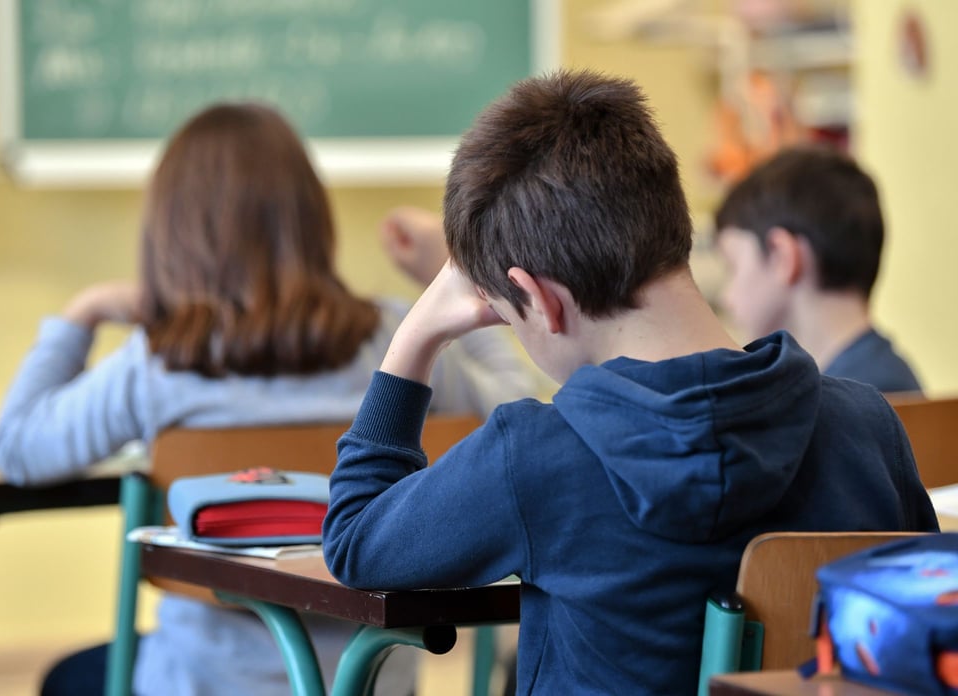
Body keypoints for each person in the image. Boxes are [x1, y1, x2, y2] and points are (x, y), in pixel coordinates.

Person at [321, 70, 939, 696]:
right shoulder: (869, 428)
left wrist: (416, 335)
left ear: (542, 302)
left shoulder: (535, 456)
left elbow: (353, 541)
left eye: (509, 317)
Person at [0, 102, 539, 696]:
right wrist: (448, 277)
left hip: (201, 683)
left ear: (170, 232)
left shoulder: (159, 362)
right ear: (310, 217)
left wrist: (83, 313)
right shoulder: (396, 340)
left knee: (68, 678)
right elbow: (511, 410)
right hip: (370, 681)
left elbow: (18, 447)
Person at [714, 145, 922, 394]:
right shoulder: (879, 378)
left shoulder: (856, 400)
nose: (726, 298)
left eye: (733, 267)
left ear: (782, 256)